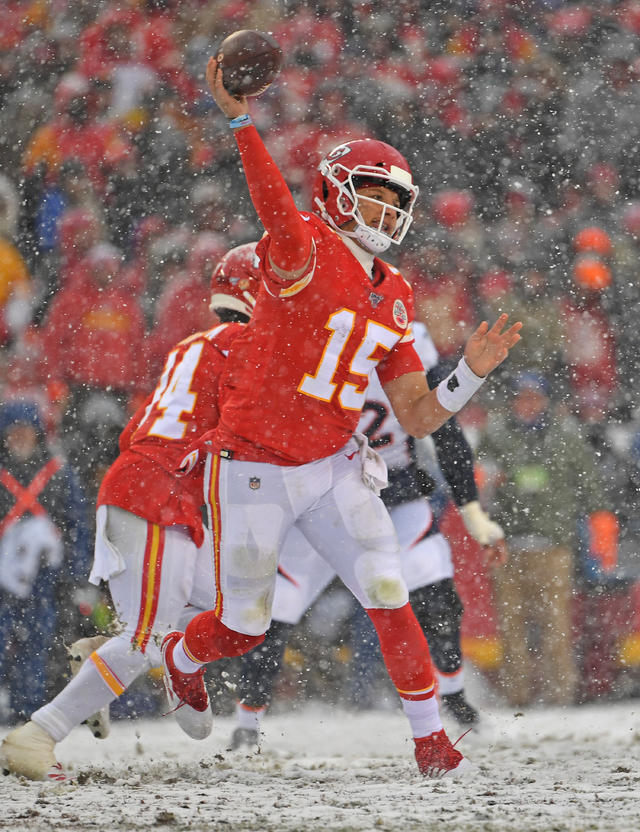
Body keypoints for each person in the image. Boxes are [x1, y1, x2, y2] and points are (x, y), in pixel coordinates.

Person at [159, 56, 521, 779]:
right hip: (255, 463)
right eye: (375, 196)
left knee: (390, 593)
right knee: (243, 626)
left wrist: (471, 373)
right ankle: (181, 654)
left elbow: (417, 415)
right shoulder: (303, 247)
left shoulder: (396, 292)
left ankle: (430, 740)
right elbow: (268, 198)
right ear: (335, 193)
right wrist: (239, 119)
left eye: (396, 201)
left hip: (332, 464)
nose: (388, 212)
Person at [0, 244, 262, 781]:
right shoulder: (246, 345)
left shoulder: (192, 344)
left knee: (227, 605)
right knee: (145, 639)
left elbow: (139, 427)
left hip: (153, 483)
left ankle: (132, 657)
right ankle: (37, 735)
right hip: (159, 492)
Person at [187, 319, 508, 750]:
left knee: (435, 598)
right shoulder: (309, 338)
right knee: (271, 613)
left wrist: (471, 508)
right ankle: (248, 719)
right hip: (318, 496)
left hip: (393, 494)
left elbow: (443, 427)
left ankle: (450, 700)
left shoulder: (403, 338)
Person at [477, 372, 612, 707]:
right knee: (512, 628)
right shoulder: (494, 436)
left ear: (546, 401)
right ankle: (517, 697)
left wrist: (602, 534)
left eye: (534, 397)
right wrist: (489, 487)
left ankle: (559, 695)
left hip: (554, 546)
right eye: (521, 397)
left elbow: (591, 490)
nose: (528, 404)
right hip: (507, 546)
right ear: (511, 401)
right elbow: (478, 486)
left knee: (556, 626)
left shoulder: (566, 437)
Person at [0, 399, 90, 724]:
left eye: (26, 431)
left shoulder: (57, 473)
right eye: (13, 432)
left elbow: (77, 523)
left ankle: (27, 710)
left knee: (36, 643)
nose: (20, 438)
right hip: (2, 573)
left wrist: (75, 571)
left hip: (44, 575)